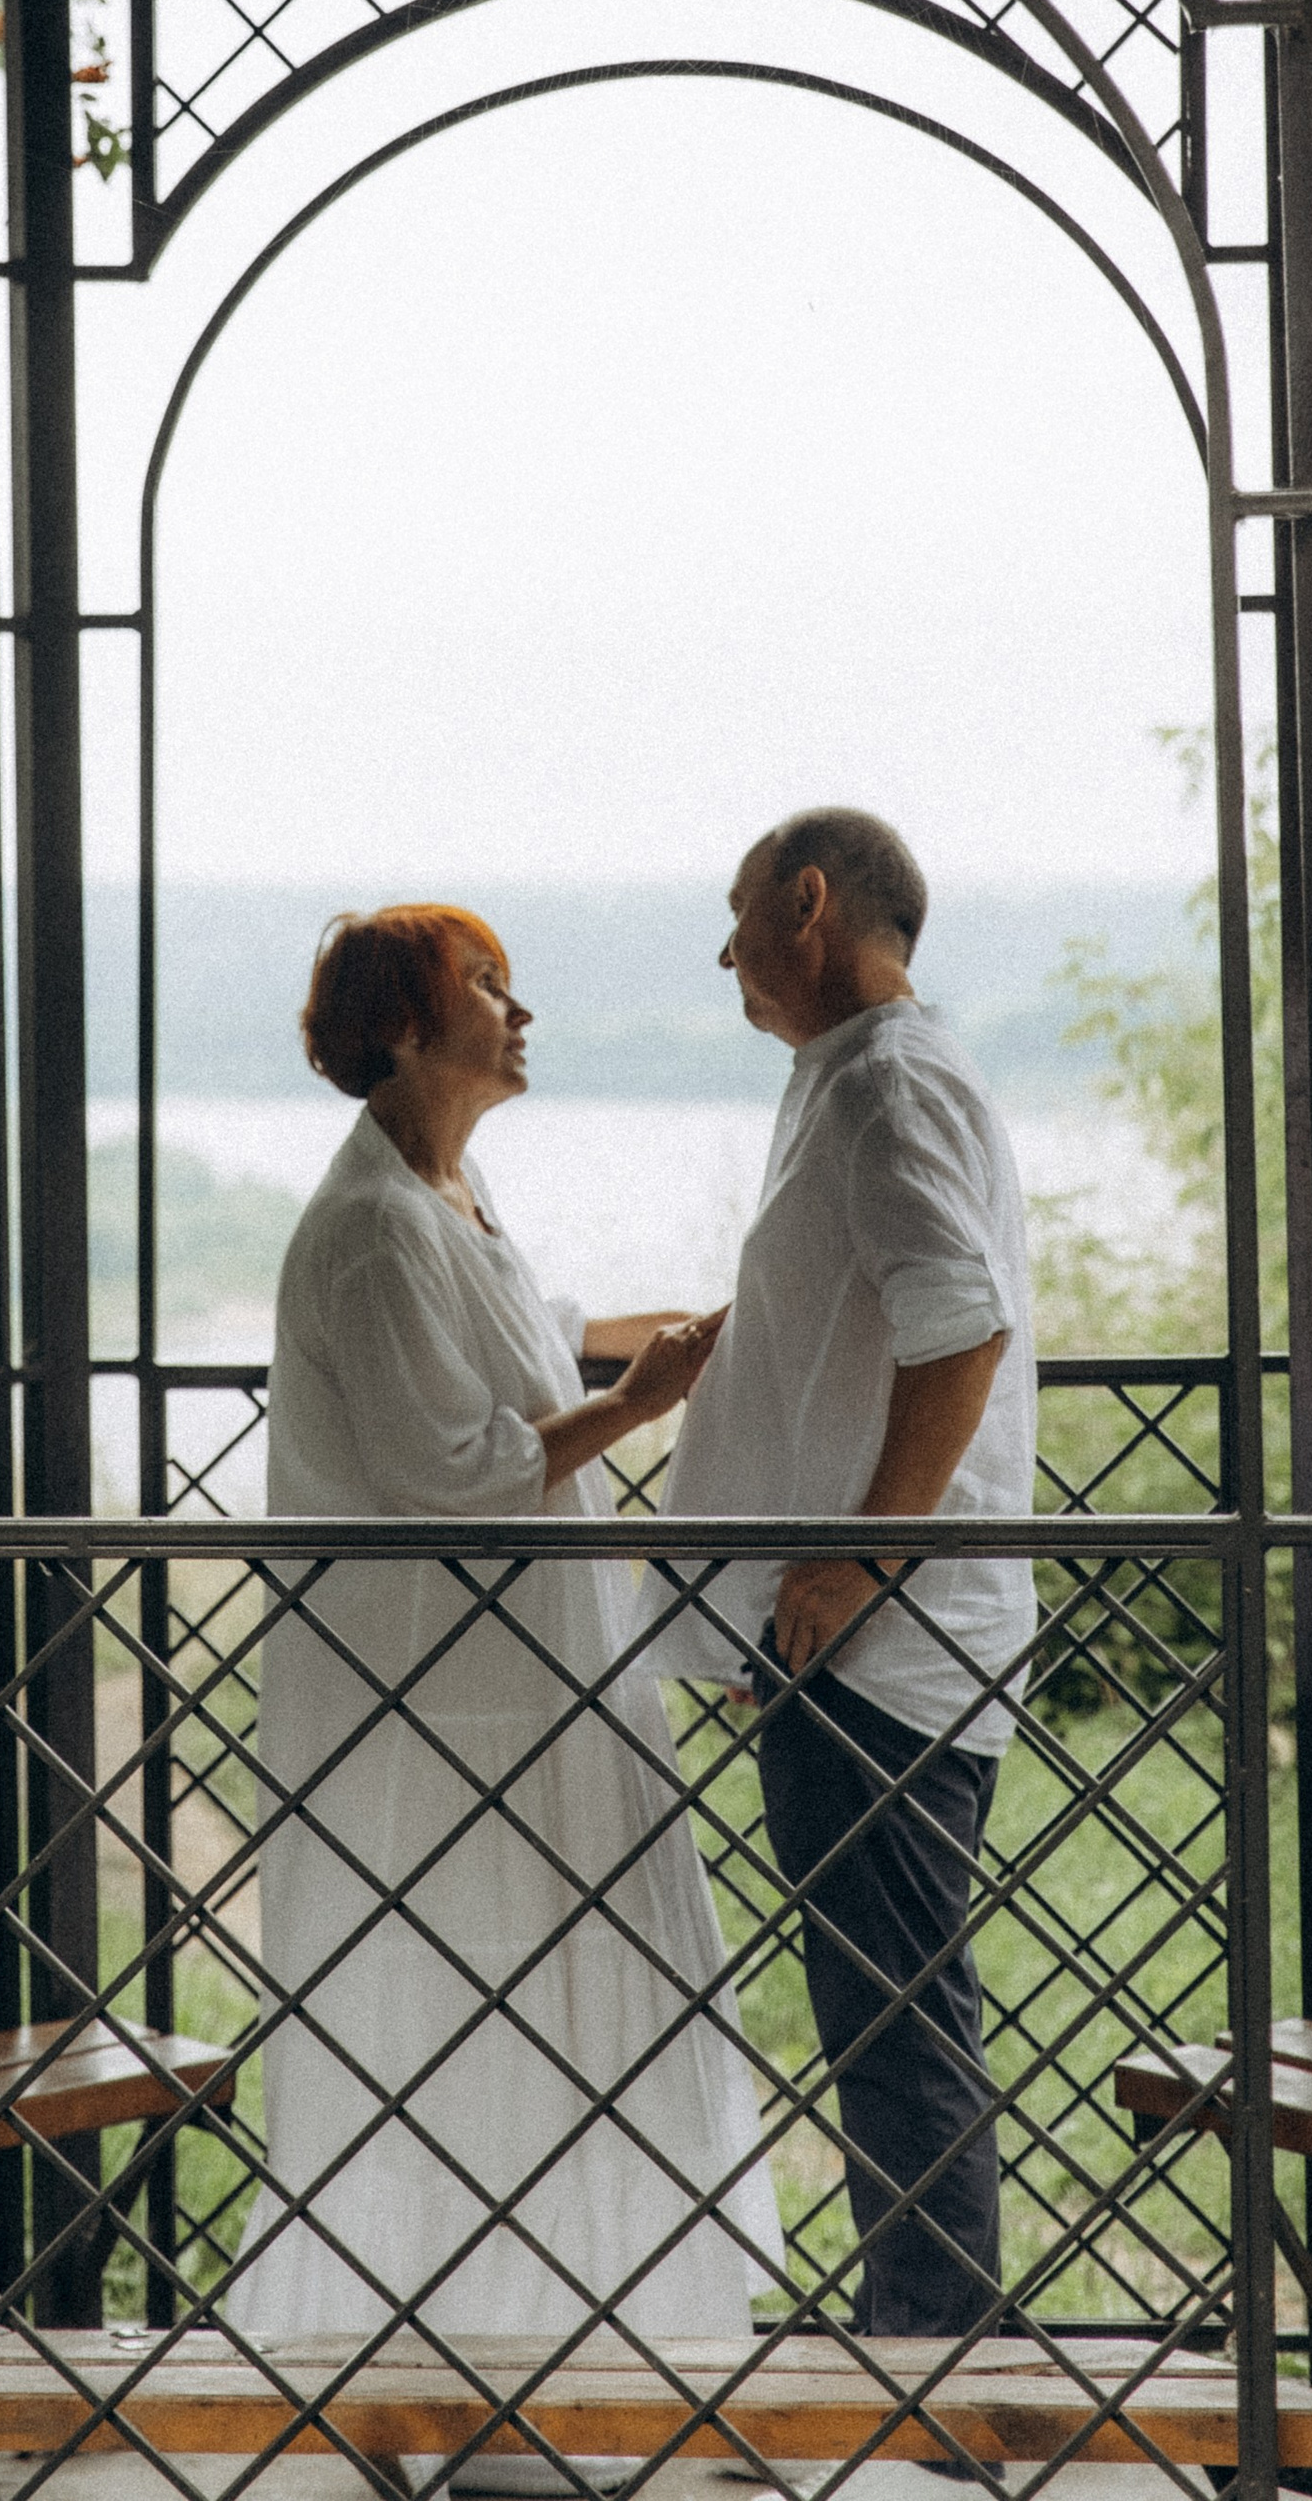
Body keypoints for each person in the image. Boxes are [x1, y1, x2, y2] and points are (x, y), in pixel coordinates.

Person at [223, 902, 784, 2351]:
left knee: (560, 1990)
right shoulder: (370, 1229)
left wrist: (744, 1324)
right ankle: (450, 2349)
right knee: (464, 1998)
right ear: (408, 1027)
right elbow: (450, 1469)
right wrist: (638, 1407)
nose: (518, 1013)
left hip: (527, 1668)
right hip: (434, 1696)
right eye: (487, 985)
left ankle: (589, 2339)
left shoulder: (452, 1194)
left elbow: (545, 1337)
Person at [649, 810, 1037, 2340]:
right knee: (886, 2013)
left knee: (895, 2023)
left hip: (883, 1647)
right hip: (858, 1641)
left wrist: (858, 1558)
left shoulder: (885, 1082)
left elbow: (960, 1322)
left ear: (809, 904)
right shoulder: (862, 1076)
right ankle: (926, 2342)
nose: (724, 952)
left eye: (740, 913)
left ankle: (938, 2363)